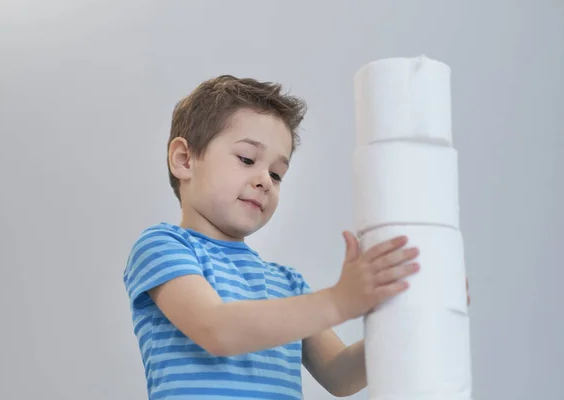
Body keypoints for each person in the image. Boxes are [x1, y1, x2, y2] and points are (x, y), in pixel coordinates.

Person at [123, 75, 469, 399]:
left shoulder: (286, 284)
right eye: (247, 159)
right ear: (184, 160)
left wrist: (414, 318)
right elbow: (217, 330)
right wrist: (338, 302)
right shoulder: (163, 246)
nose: (265, 181)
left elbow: (339, 375)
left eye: (277, 173)